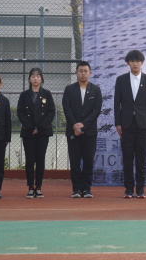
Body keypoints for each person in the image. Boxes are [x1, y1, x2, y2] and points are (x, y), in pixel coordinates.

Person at [113, 50, 146, 199]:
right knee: (127, 158)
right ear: (128, 63)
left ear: (142, 62)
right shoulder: (121, 80)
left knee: (141, 158)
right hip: (126, 124)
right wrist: (118, 123)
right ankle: (129, 189)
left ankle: (141, 189)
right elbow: (116, 103)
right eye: (132, 61)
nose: (135, 64)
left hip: (143, 124)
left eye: (137, 61)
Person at [62, 61, 103, 198]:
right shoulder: (69, 89)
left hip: (89, 132)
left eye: (85, 71)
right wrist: (75, 125)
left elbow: (96, 110)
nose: (83, 73)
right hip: (73, 131)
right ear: (76, 72)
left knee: (88, 161)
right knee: (74, 161)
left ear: (90, 73)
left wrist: (83, 125)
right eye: (81, 71)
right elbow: (66, 108)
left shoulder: (96, 90)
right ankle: (76, 189)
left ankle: (86, 189)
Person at [17, 68, 55, 199]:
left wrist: (40, 127)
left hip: (43, 132)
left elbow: (51, 112)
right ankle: (30, 187)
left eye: (38, 76)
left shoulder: (47, 94)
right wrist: (29, 127)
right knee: (29, 160)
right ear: (29, 79)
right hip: (28, 132)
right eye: (33, 76)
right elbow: (20, 112)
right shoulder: (24, 95)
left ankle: (38, 187)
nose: (35, 78)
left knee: (40, 159)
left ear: (41, 79)